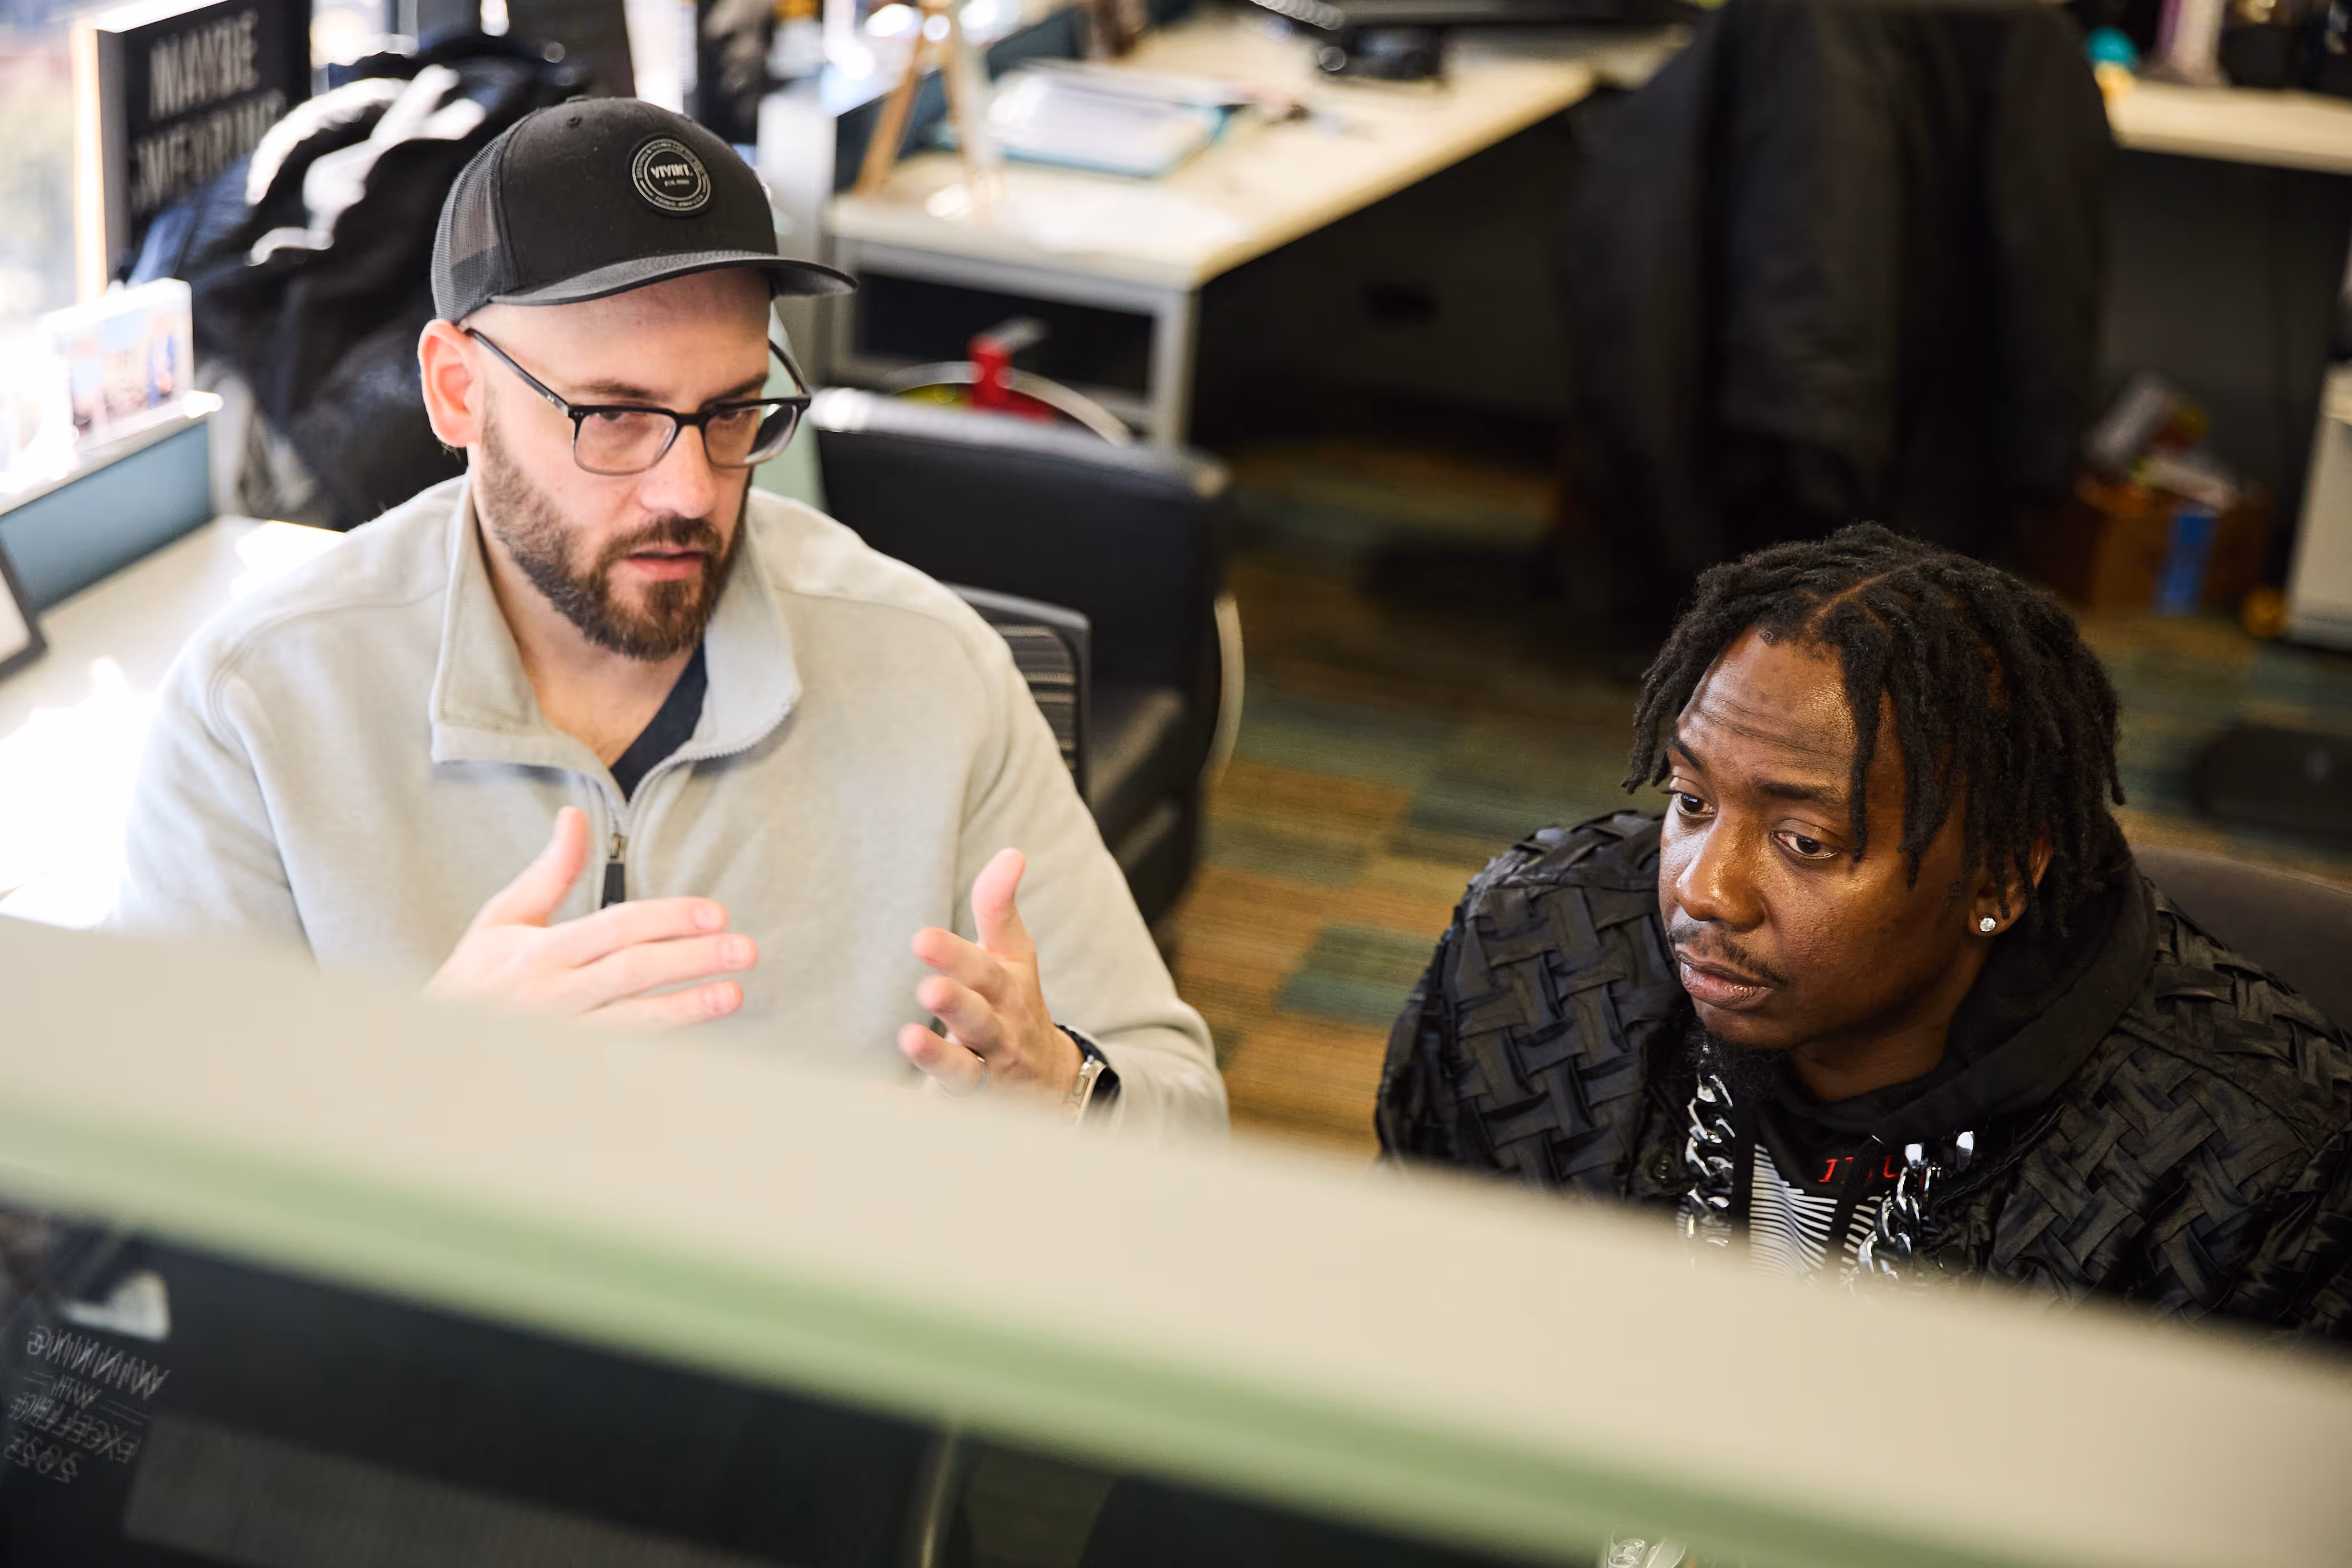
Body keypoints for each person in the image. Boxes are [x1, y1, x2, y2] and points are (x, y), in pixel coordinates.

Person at [110, 98, 1223, 1135]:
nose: (689, 491)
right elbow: (152, 1182)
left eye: (732, 412)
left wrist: (1066, 1091)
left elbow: (1182, 1107)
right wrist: (418, 1080)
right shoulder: (255, 706)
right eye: (615, 416)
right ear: (458, 392)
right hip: (433, 1337)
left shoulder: (930, 669)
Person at [1378, 524, 2352, 1331]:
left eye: (1803, 841)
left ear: (2002, 875)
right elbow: (1400, 1315)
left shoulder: (2262, 1175)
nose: (1705, 891)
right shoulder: (1533, 951)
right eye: (1689, 800)